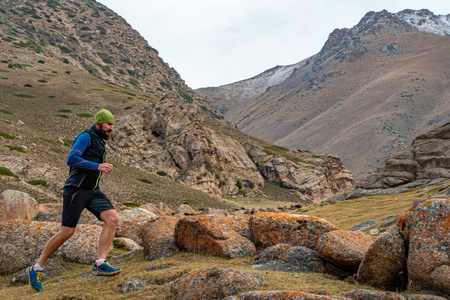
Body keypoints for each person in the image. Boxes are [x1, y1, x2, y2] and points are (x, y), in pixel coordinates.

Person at [27, 109, 122, 291]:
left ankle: (100, 263)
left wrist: (97, 168)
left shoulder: (100, 140)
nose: (111, 128)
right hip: (75, 191)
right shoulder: (86, 136)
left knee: (112, 219)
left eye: (112, 125)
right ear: (100, 123)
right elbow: (71, 159)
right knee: (67, 232)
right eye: (109, 124)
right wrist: (98, 166)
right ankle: (36, 268)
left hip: (92, 191)